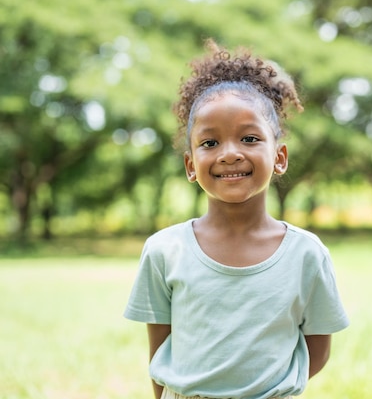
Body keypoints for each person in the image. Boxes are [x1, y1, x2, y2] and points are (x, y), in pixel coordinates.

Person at [124, 39, 349, 399]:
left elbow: (316, 352)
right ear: (190, 165)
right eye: (210, 143)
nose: (230, 154)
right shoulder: (165, 251)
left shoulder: (307, 254)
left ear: (279, 157)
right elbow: (161, 353)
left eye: (249, 138)